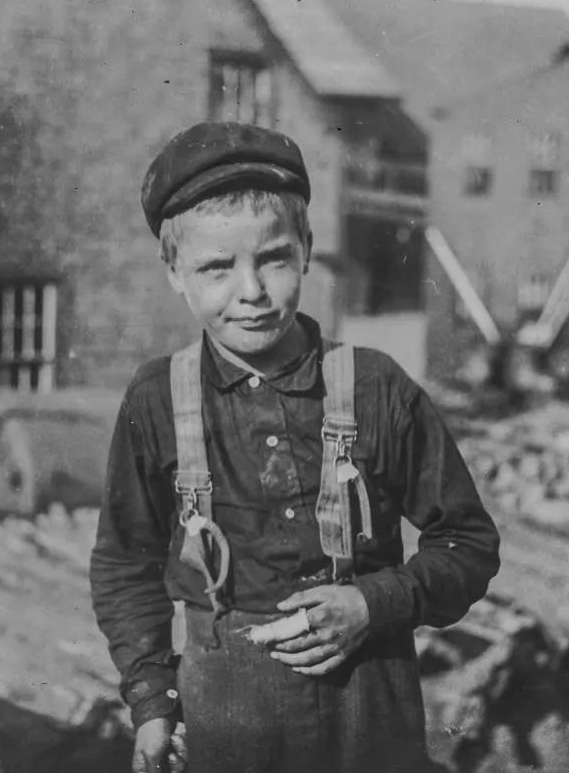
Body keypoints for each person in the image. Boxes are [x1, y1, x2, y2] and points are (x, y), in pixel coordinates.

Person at [90, 121, 501, 773]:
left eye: (274, 258)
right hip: (229, 725)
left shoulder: (375, 387)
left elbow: (469, 543)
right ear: (174, 270)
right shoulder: (156, 399)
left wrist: (375, 600)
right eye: (217, 268)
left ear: (307, 248)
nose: (250, 292)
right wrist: (152, 701)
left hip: (370, 718)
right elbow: (124, 564)